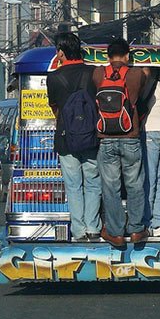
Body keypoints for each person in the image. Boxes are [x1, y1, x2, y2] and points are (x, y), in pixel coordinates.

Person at [46, 33, 101, 242]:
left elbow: (55, 108)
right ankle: (93, 228)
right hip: (91, 136)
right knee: (93, 183)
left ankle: (78, 231)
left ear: (61, 52)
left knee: (73, 185)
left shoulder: (54, 77)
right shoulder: (94, 73)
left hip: (65, 137)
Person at [93, 38, 148, 246]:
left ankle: (115, 232)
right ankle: (136, 230)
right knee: (134, 185)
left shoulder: (98, 73)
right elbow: (145, 80)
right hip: (130, 137)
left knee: (110, 187)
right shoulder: (135, 74)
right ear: (127, 56)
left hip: (106, 139)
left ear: (108, 56)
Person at [142, 69, 160, 237]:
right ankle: (159, 224)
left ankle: (147, 222)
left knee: (149, 180)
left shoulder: (148, 85)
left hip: (150, 131)